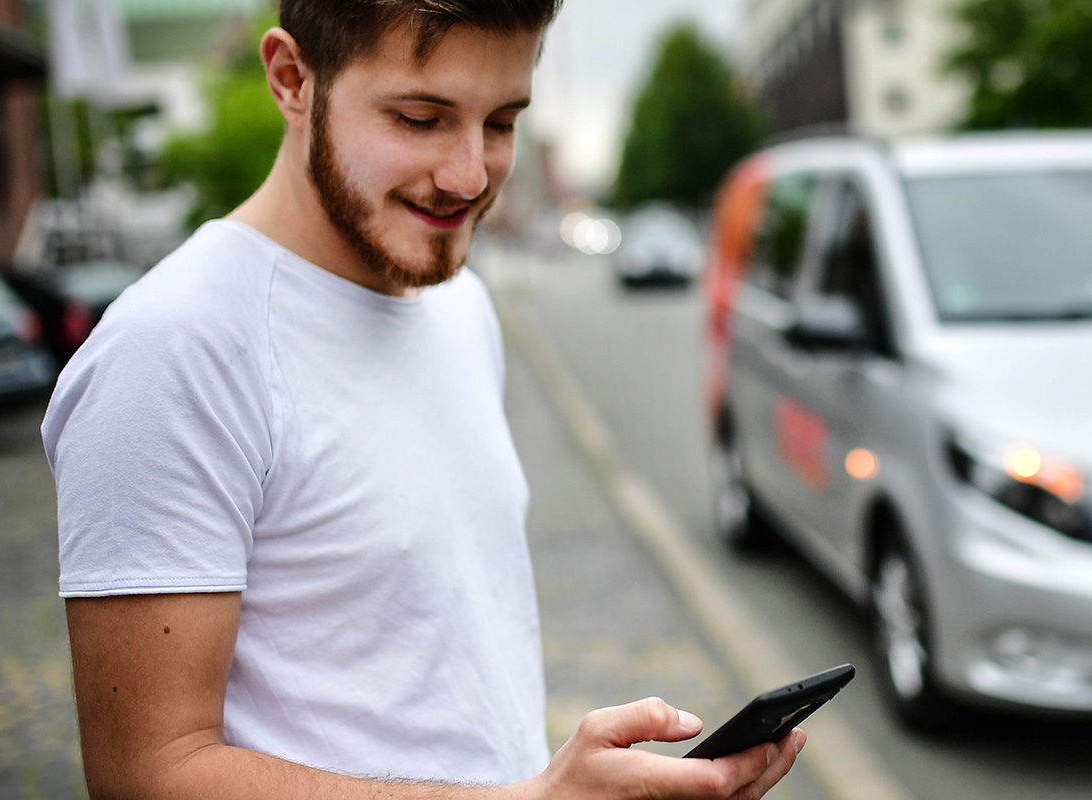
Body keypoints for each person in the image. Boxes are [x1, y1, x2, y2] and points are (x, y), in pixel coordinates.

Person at [40, 1, 805, 798]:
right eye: (420, 118)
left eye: (503, 123)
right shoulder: (172, 349)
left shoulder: (458, 304)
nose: (471, 176)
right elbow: (147, 775)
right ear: (292, 80)